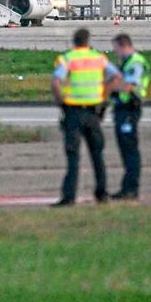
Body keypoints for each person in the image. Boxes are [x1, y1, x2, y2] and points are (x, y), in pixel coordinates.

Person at [51, 28, 120, 207]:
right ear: (88, 41)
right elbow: (115, 77)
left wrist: (61, 102)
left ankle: (69, 197)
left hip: (73, 111)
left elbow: (56, 81)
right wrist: (104, 98)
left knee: (73, 156)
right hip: (93, 112)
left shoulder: (68, 58)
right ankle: (102, 193)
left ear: (74, 41)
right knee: (97, 155)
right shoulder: (98, 58)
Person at [110, 33, 149, 201]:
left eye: (115, 48)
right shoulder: (126, 63)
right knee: (125, 149)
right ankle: (127, 187)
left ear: (122, 45)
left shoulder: (136, 62)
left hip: (129, 109)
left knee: (130, 149)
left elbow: (129, 86)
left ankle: (131, 188)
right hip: (122, 109)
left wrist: (112, 84)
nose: (115, 52)